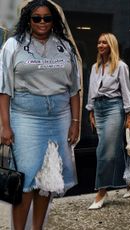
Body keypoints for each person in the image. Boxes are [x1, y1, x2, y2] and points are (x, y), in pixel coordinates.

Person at [0, 0, 81, 229]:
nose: (42, 22)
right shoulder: (13, 45)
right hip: (26, 116)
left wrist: (75, 122)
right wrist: (5, 125)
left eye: (47, 18)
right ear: (28, 19)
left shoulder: (65, 46)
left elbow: (74, 88)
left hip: (60, 116)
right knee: (25, 180)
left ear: (54, 20)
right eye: (37, 18)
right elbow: (4, 88)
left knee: (48, 177)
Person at [86, 32, 130, 209]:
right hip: (99, 109)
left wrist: (129, 116)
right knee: (112, 148)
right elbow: (91, 91)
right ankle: (129, 180)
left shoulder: (120, 66)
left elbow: (127, 91)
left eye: (104, 43)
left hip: (114, 107)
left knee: (104, 151)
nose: (100, 45)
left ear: (111, 46)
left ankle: (101, 191)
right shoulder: (94, 67)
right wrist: (91, 111)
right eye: (99, 42)